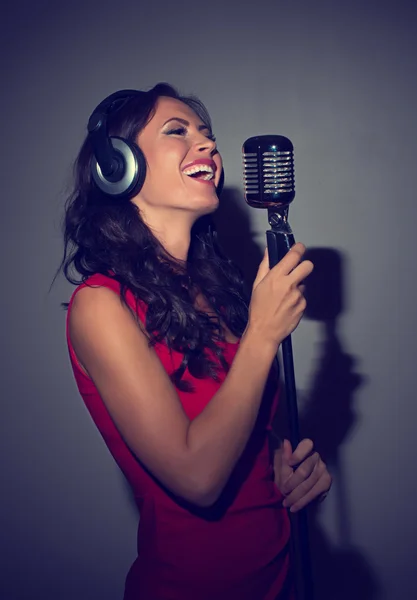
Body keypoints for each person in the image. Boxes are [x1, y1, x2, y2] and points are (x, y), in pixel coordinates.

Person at [60, 83, 332, 600]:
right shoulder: (100, 306)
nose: (207, 145)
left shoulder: (218, 293)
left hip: (280, 579)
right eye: (177, 131)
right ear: (118, 167)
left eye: (207, 135)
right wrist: (262, 334)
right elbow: (198, 476)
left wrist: (284, 462)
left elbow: (235, 431)